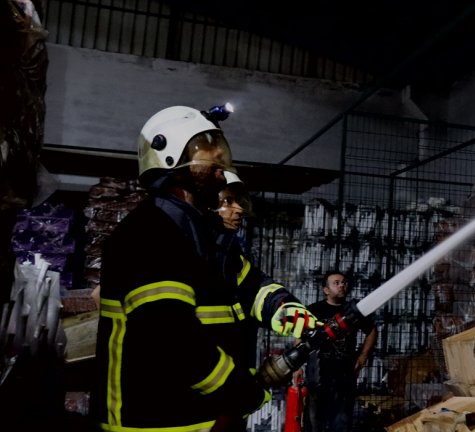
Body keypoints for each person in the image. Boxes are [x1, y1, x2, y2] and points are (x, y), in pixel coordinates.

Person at [90, 105, 320, 432]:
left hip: (207, 415)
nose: (220, 164)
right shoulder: (151, 233)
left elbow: (252, 286)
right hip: (152, 419)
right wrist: (239, 389)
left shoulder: (207, 236)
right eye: (206, 153)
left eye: (218, 150)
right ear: (172, 162)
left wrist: (287, 312)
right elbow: (171, 338)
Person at [300, 271, 378, 432]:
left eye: (344, 282)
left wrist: (363, 357)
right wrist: (297, 366)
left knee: (341, 423)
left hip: (344, 375)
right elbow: (299, 335)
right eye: (336, 283)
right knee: (314, 423)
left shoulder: (353, 311)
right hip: (317, 374)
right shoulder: (314, 310)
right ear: (326, 290)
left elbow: (372, 331)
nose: (342, 285)